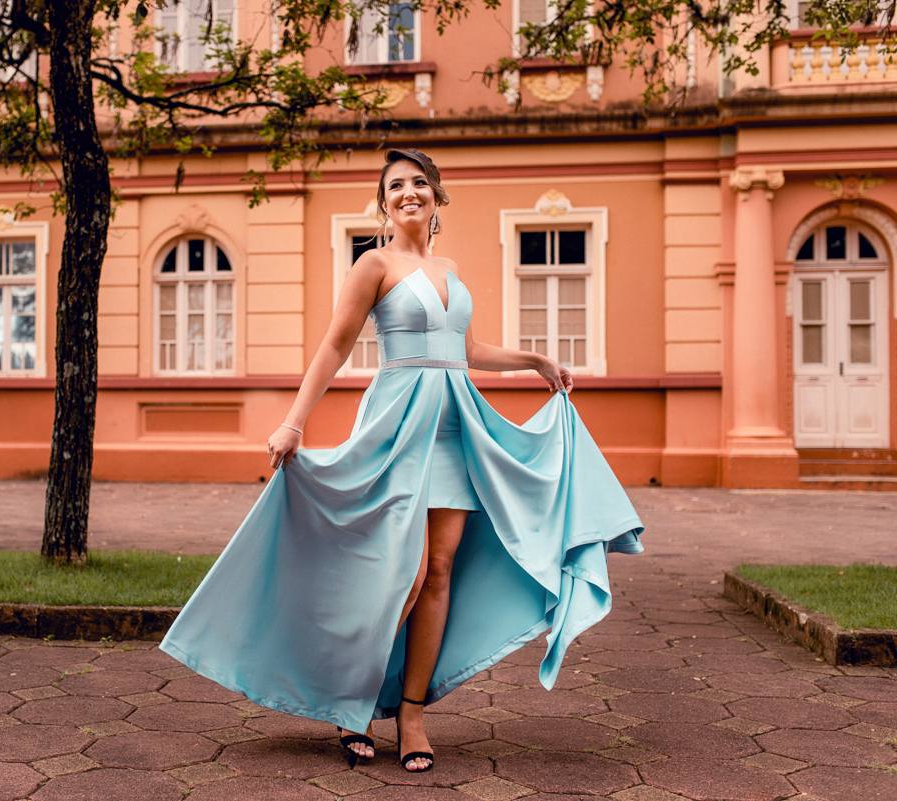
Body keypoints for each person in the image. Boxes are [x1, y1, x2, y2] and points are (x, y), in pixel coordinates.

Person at [160, 149, 643, 774]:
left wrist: (534, 361)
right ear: (383, 202)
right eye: (396, 186)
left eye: (419, 183)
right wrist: (293, 421)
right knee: (401, 575)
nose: (409, 193)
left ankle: (412, 715)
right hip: (397, 426)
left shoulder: (449, 268)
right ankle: (353, 704)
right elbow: (335, 345)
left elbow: (466, 350)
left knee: (439, 571)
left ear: (436, 197)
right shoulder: (373, 263)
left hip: (454, 430)